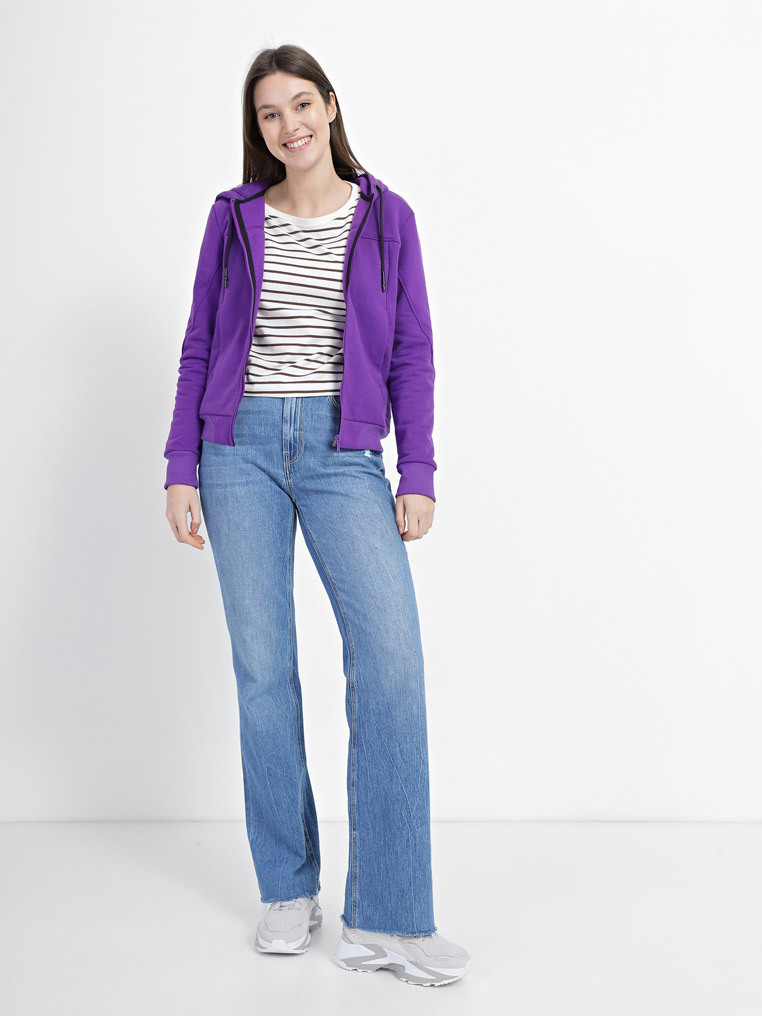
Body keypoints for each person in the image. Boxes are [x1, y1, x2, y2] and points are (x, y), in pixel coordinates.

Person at [163, 44, 471, 987]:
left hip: (345, 451)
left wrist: (416, 469)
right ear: (257, 129)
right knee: (264, 670)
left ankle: (388, 918)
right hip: (238, 451)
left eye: (301, 104)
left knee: (391, 661)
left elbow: (412, 349)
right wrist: (181, 465)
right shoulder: (234, 218)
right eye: (270, 113)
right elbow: (199, 341)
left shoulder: (387, 217)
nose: (289, 124)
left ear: (330, 107)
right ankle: (288, 887)